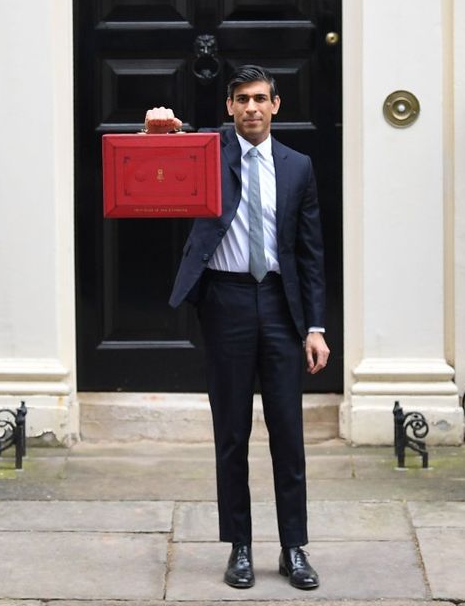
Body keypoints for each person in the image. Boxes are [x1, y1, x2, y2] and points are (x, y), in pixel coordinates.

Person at [148, 64, 329, 590]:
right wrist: (157, 124)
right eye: (241, 100)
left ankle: (294, 547)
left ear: (276, 105)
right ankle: (241, 547)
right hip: (225, 302)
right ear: (229, 107)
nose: (251, 107)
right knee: (231, 433)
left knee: (288, 435)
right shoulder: (209, 150)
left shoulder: (299, 167)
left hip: (279, 305)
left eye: (260, 98)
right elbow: (160, 152)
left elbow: (312, 254)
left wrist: (315, 327)